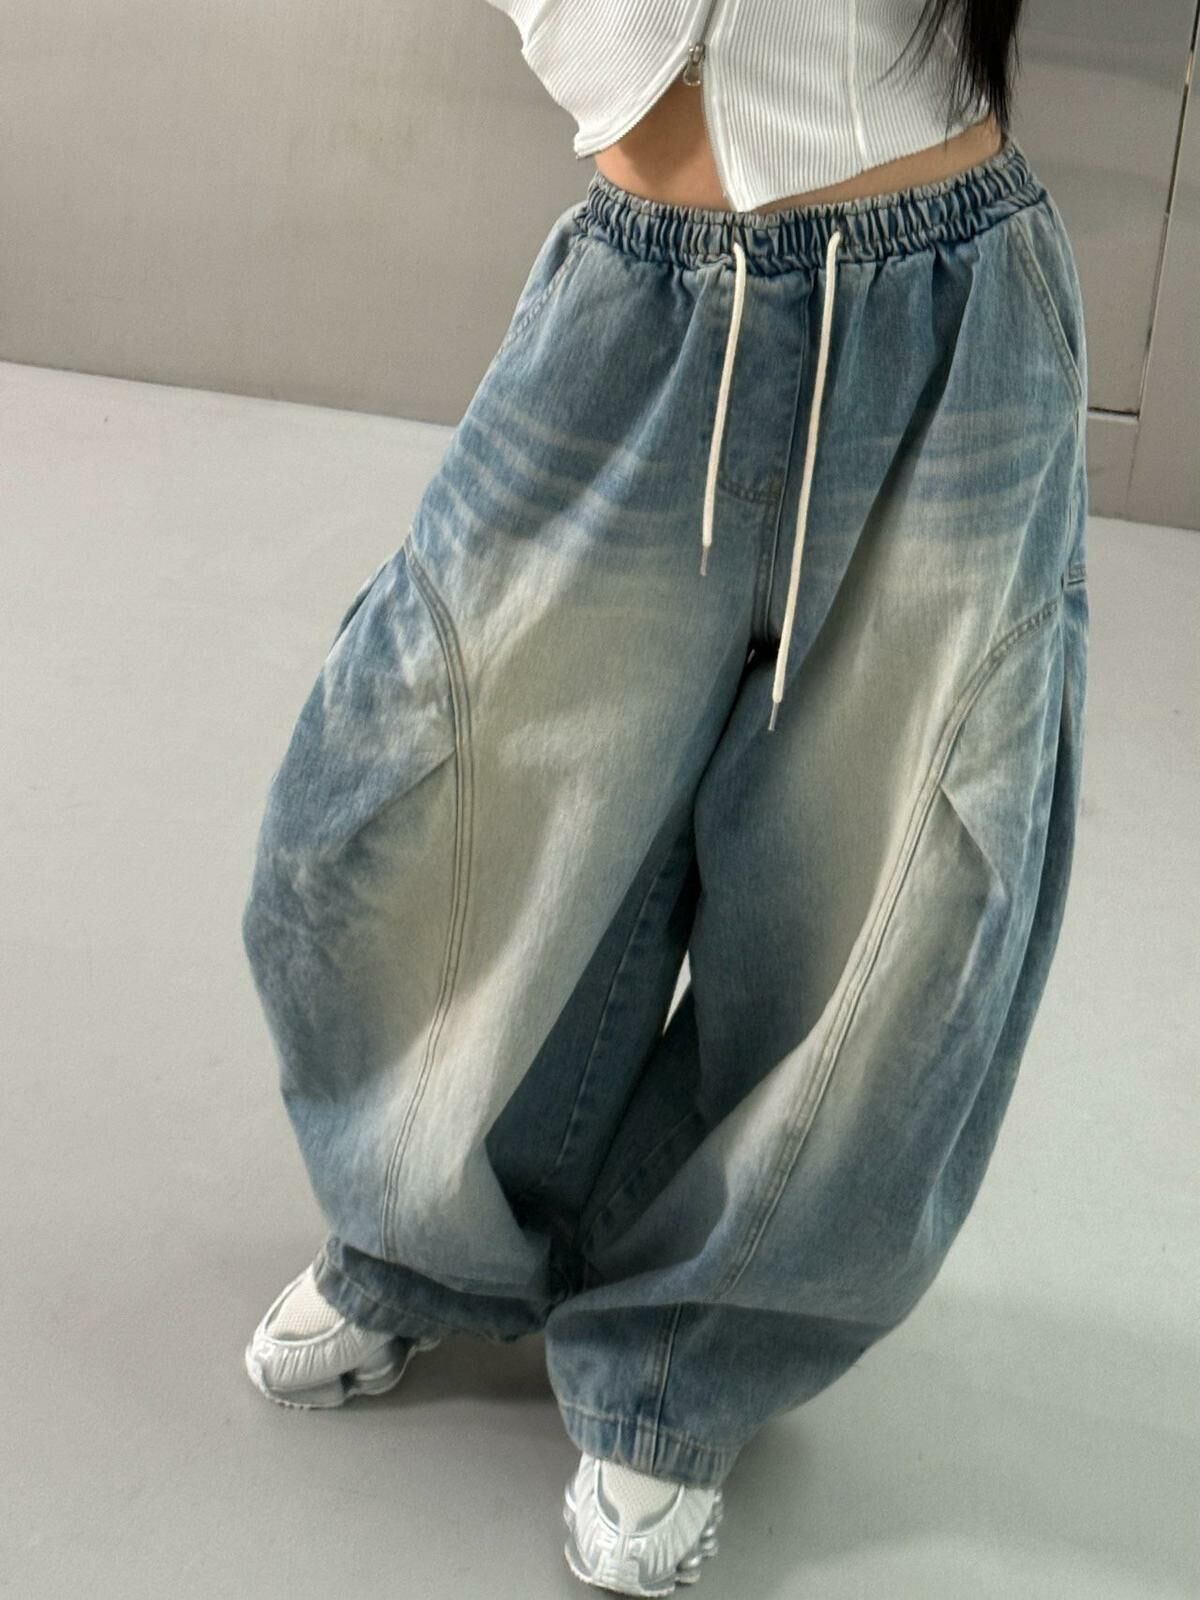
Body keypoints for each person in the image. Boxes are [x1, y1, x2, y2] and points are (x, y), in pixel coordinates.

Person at [241, 1, 1090, 1593]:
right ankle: (428, 1236)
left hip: (940, 309)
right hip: (640, 300)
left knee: (880, 903)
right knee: (421, 799)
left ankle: (682, 1363)